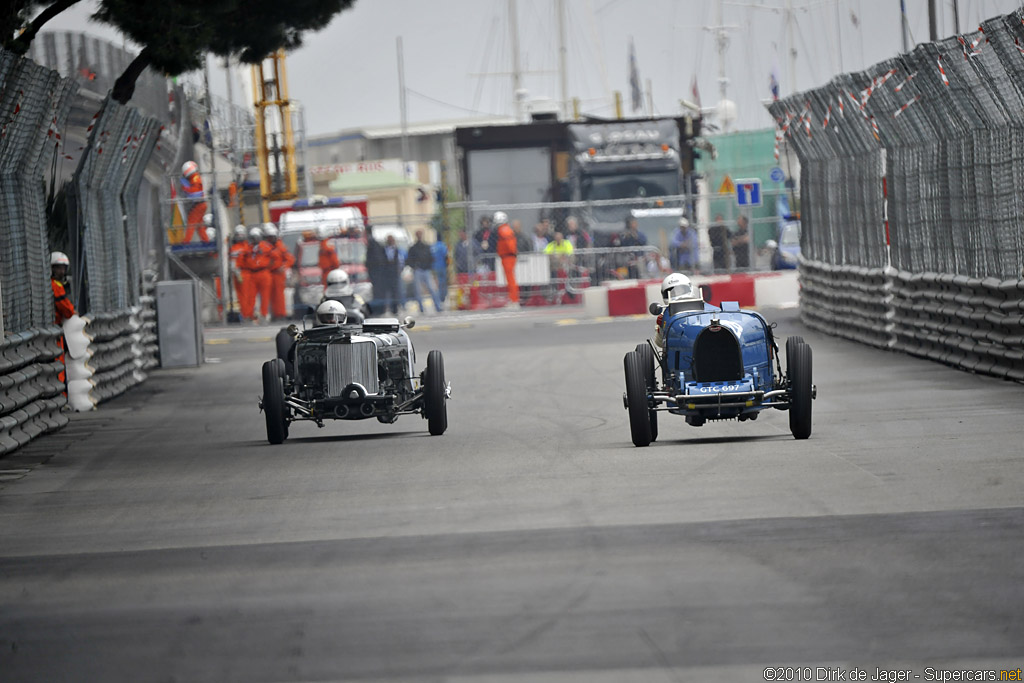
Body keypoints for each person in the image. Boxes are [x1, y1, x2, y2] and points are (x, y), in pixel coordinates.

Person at [653, 272, 703, 350]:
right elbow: (659, 343)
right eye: (670, 292)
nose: (676, 294)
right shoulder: (665, 315)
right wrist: (661, 327)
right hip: (676, 349)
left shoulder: (701, 307)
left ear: (690, 288)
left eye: (681, 290)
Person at [51, 252, 76, 386]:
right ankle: (62, 396)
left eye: (63, 268)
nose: (61, 271)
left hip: (52, 330)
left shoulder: (52, 285)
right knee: (59, 364)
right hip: (55, 331)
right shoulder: (56, 286)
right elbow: (68, 311)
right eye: (58, 268)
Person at [407, 230, 443, 314]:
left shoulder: (426, 246)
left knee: (432, 289)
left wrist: (429, 266)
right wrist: (414, 266)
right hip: (418, 270)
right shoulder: (413, 248)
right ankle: (421, 308)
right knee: (418, 291)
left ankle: (438, 306)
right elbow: (409, 260)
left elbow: (431, 257)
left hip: (426, 270)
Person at [242, 226, 273, 322]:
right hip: (252, 274)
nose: (255, 239)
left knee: (265, 296)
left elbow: (275, 257)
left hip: (263, 272)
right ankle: (250, 315)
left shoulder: (266, 246)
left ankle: (264, 314)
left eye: (256, 237)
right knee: (251, 296)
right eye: (253, 237)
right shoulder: (247, 248)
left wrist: (270, 266)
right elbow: (242, 259)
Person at [264, 223, 294, 321]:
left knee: (279, 295)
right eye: (268, 237)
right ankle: (272, 314)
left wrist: (283, 267)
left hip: (278, 274)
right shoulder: (265, 246)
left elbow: (290, 259)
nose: (270, 239)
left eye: (271, 237)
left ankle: (280, 314)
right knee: (269, 296)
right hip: (268, 273)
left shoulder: (280, 246)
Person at [494, 211, 519, 308]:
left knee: (510, 280)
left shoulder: (503, 230)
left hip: (508, 257)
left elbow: (510, 245)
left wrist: (512, 252)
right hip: (508, 256)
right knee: (510, 279)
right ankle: (513, 300)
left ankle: (514, 300)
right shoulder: (505, 229)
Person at [229, 224, 252, 321]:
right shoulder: (235, 248)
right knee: (243, 296)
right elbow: (233, 263)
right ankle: (245, 314)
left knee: (248, 295)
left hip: (247, 272)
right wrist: (237, 273)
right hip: (241, 273)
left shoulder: (246, 246)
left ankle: (248, 314)